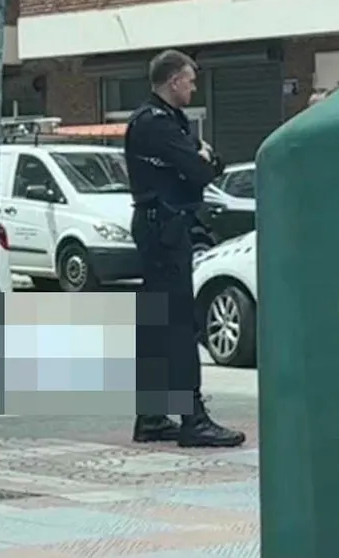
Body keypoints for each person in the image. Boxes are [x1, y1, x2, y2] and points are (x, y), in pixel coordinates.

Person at [124, 49, 245, 448]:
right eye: (190, 80)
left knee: (160, 324)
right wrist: (201, 160)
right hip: (163, 227)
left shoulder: (167, 121)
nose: (194, 86)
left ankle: (153, 416)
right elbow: (200, 169)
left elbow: (211, 162)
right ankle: (193, 417)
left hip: (166, 225)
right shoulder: (154, 124)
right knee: (176, 321)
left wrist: (204, 160)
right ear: (174, 81)